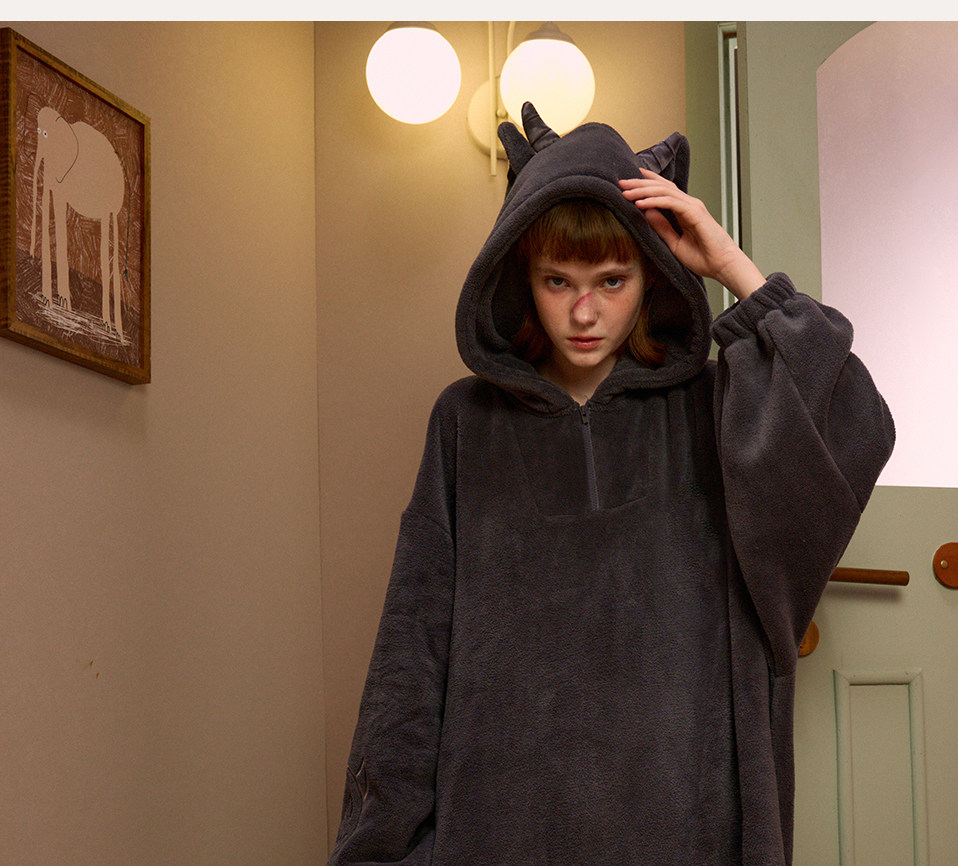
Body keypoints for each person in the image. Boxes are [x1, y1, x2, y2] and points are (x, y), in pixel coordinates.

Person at [328, 104, 895, 866]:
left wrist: (732, 266)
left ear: (652, 275)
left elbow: (852, 423)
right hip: (499, 827)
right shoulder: (466, 422)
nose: (584, 312)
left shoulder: (719, 409)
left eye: (613, 279)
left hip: (686, 822)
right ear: (521, 276)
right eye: (556, 280)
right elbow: (412, 651)